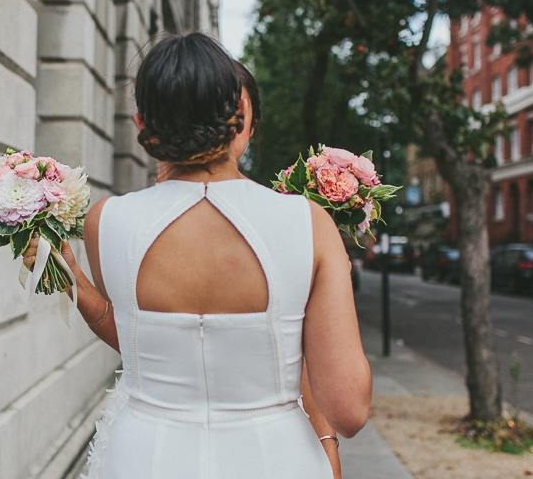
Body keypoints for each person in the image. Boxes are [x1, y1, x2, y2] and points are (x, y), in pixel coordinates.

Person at [24, 33, 371, 478]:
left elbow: (143, 343)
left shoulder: (105, 221)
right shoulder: (308, 222)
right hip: (273, 459)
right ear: (240, 115)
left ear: (142, 124)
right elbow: (349, 409)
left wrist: (71, 279)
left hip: (144, 459)